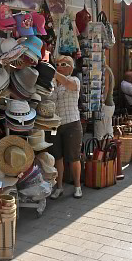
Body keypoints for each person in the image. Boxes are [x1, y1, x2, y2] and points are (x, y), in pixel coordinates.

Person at [50, 55, 84, 199]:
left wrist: (52, 72)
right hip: (54, 125)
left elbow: (70, 85)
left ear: (71, 67)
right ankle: (59, 187)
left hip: (71, 123)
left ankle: (77, 187)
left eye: (63, 64)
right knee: (57, 157)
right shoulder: (53, 83)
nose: (59, 66)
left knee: (73, 157)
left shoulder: (74, 80)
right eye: (57, 64)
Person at [94, 63, 114, 140]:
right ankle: (107, 150)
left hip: (106, 104)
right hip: (109, 104)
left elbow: (106, 88)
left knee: (100, 131)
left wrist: (102, 101)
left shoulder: (106, 71)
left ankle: (102, 150)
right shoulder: (108, 69)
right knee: (107, 129)